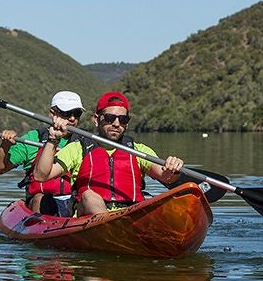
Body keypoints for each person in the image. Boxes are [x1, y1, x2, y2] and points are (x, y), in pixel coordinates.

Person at [32, 91, 184, 215]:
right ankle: (109, 225)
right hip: (90, 216)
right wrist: (53, 139)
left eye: (123, 119)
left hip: (130, 214)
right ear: (96, 119)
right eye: (110, 118)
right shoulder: (77, 148)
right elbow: (41, 176)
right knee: (89, 195)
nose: (116, 124)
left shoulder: (138, 150)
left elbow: (167, 177)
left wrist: (173, 168)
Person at [0, 91, 84, 216]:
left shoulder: (85, 141)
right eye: (66, 113)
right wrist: (5, 145)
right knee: (41, 198)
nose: (72, 118)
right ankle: (41, 224)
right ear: (52, 113)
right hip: (40, 204)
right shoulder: (33, 138)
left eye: (77, 113)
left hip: (74, 201)